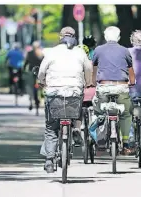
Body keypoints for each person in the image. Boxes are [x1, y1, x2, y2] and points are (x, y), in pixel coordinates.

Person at [38, 26, 93, 173]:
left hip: (54, 93)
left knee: (51, 128)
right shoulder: (80, 52)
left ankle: (49, 160)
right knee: (76, 108)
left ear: (60, 37)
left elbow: (42, 71)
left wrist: (41, 81)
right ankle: (75, 128)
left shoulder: (51, 52)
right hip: (74, 93)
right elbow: (88, 70)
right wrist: (88, 82)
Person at [92, 26, 136, 154]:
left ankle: (99, 138)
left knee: (98, 112)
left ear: (105, 37)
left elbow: (94, 70)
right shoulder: (125, 51)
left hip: (104, 87)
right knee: (126, 114)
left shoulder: (98, 50)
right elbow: (130, 70)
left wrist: (92, 82)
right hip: (121, 87)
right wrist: (132, 83)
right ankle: (126, 142)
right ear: (119, 37)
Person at [23, 41, 44, 110]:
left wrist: (23, 69)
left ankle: (31, 99)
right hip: (40, 72)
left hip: (31, 71)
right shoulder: (41, 54)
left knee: (30, 86)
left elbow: (26, 62)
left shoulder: (29, 53)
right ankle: (41, 94)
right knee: (41, 84)